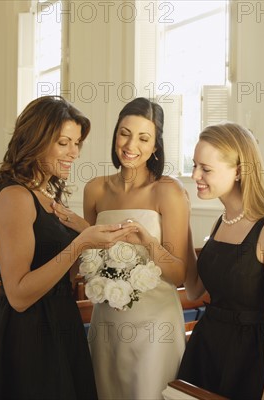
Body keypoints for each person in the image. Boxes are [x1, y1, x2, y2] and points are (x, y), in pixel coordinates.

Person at [0, 96, 137, 400]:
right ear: (36, 140)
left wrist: (93, 238)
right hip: (27, 333)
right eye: (64, 143)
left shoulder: (46, 196)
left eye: (77, 143)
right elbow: (18, 295)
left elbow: (61, 275)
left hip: (60, 319)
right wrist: (82, 243)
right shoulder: (15, 197)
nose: (74, 153)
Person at [177, 122, 264, 399]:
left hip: (252, 361)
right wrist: (181, 226)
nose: (195, 174)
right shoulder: (221, 222)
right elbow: (194, 290)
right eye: (195, 165)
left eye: (205, 169)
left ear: (238, 171)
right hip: (208, 352)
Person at [81, 97, 190, 399]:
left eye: (144, 138)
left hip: (155, 326)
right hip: (107, 320)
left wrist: (147, 243)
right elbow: (87, 251)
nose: (131, 145)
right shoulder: (95, 189)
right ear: (115, 134)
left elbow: (179, 274)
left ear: (155, 146)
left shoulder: (168, 192)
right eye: (124, 133)